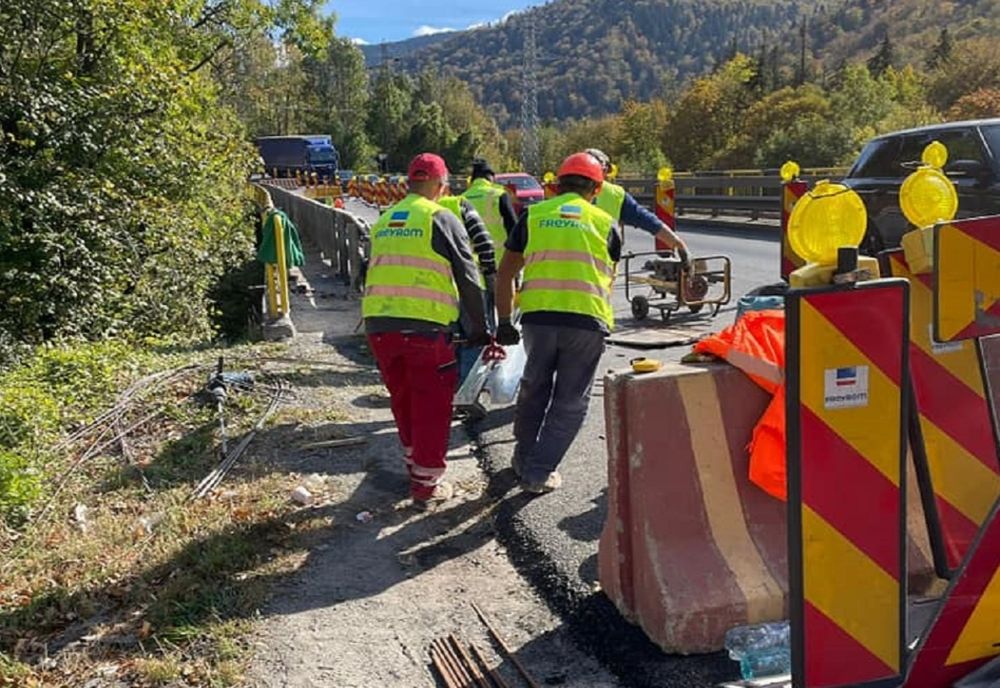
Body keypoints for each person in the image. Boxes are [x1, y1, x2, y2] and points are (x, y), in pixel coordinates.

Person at [363, 153, 490, 508]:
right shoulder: (440, 217)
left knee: (403, 399)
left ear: (408, 183)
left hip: (379, 327)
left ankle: (413, 467)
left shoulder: (385, 219)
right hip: (425, 329)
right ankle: (426, 487)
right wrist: (480, 329)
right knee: (432, 406)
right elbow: (468, 276)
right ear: (441, 185)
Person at [494, 152, 622, 494]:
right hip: (586, 322)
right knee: (570, 400)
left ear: (555, 186)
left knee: (534, 387)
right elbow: (609, 277)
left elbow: (505, 272)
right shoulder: (606, 223)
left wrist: (504, 320)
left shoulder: (533, 216)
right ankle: (539, 472)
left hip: (538, 320)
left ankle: (523, 459)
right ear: (596, 188)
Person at [584, 148, 692, 271]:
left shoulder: (558, 193)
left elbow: (648, 220)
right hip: (598, 277)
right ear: (604, 171)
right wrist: (678, 244)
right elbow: (648, 221)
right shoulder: (614, 195)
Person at [437, 193, 497, 386]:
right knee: (475, 339)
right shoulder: (460, 205)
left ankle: (448, 389)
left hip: (433, 291)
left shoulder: (415, 212)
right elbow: (485, 245)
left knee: (445, 342)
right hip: (469, 285)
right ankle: (468, 391)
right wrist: (490, 277)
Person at [461, 159, 519, 266]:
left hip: (470, 263)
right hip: (499, 260)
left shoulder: (461, 198)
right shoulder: (499, 195)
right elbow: (514, 229)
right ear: (490, 177)